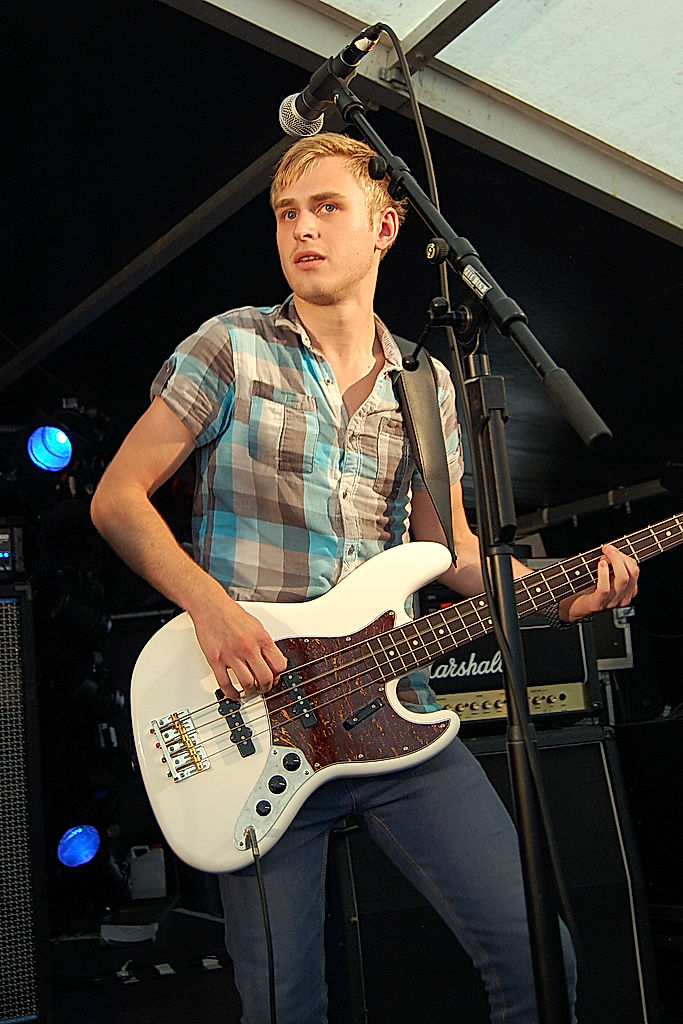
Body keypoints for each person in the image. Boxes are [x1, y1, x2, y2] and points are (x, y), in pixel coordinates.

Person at [90, 132, 639, 1024]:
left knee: (538, 962)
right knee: (284, 1008)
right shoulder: (232, 347)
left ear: (386, 226)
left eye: (325, 208)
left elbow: (452, 553)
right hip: (254, 718)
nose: (301, 229)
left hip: (393, 717)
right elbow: (117, 499)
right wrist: (214, 610)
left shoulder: (425, 389)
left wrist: (561, 591)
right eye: (286, 215)